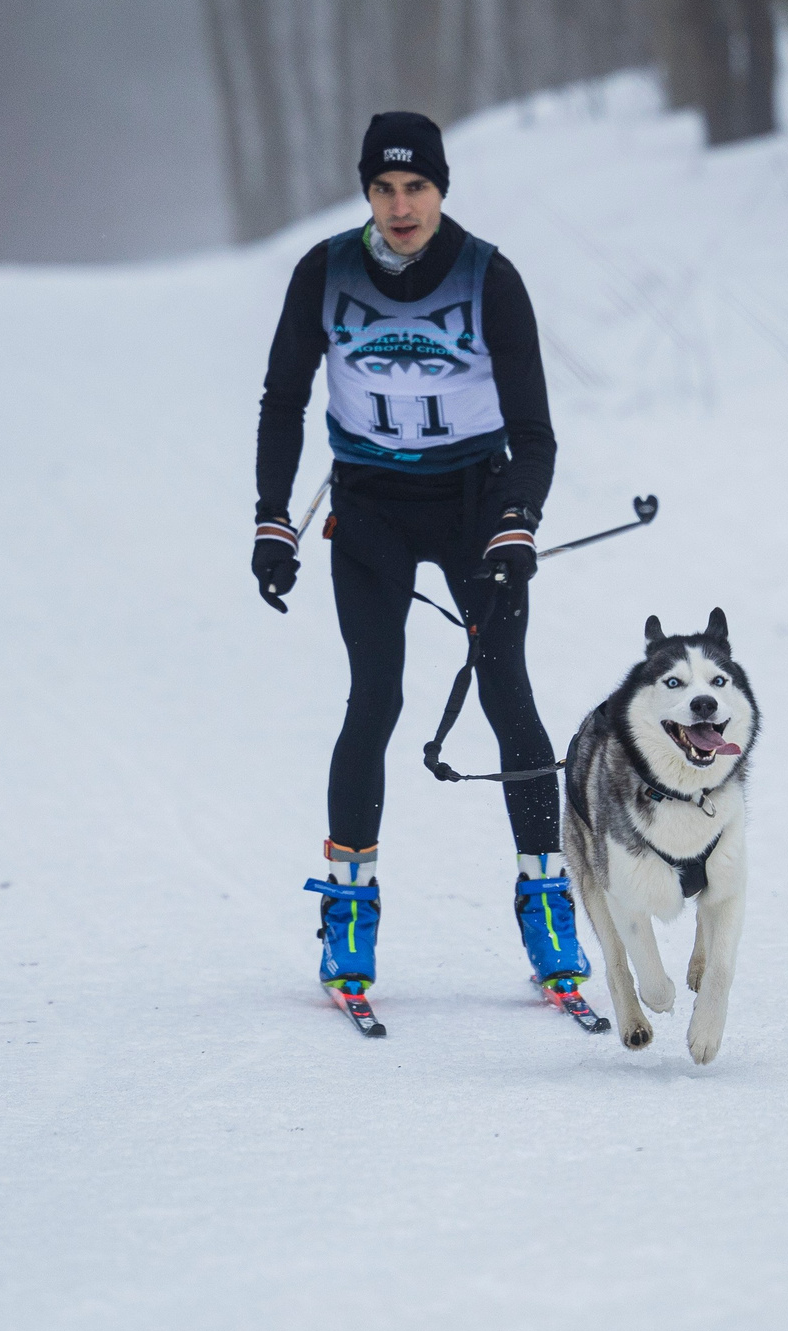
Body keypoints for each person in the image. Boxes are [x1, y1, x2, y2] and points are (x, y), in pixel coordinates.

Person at [251, 110, 589, 1004]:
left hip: (475, 503)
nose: (401, 207)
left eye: (417, 188)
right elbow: (283, 399)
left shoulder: (489, 277)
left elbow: (535, 432)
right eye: (384, 189)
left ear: (442, 189)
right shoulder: (324, 272)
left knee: (507, 692)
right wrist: (273, 517)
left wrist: (517, 519)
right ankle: (349, 909)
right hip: (370, 509)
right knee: (376, 697)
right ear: (366, 191)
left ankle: (546, 900)